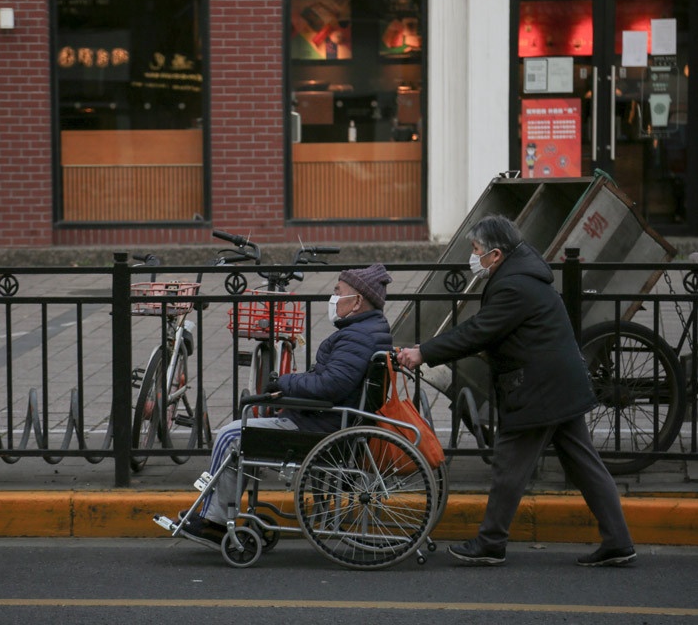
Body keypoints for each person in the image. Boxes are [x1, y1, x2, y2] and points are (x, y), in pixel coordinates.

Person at [397, 215, 635, 568]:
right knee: (585, 463)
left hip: (539, 388)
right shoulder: (519, 272)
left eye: (476, 249)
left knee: (510, 465)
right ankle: (618, 541)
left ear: (495, 254)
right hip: (557, 384)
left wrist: (424, 352)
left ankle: (491, 542)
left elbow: (480, 330)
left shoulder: (514, 285)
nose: (472, 255)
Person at [177, 263, 394, 546]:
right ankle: (217, 512)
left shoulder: (357, 337)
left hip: (320, 428)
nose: (333, 298)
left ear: (357, 302)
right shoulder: (368, 330)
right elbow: (331, 380)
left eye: (338, 292)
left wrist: (285, 383)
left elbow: (330, 385)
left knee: (232, 435)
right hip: (329, 422)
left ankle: (214, 521)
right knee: (245, 431)